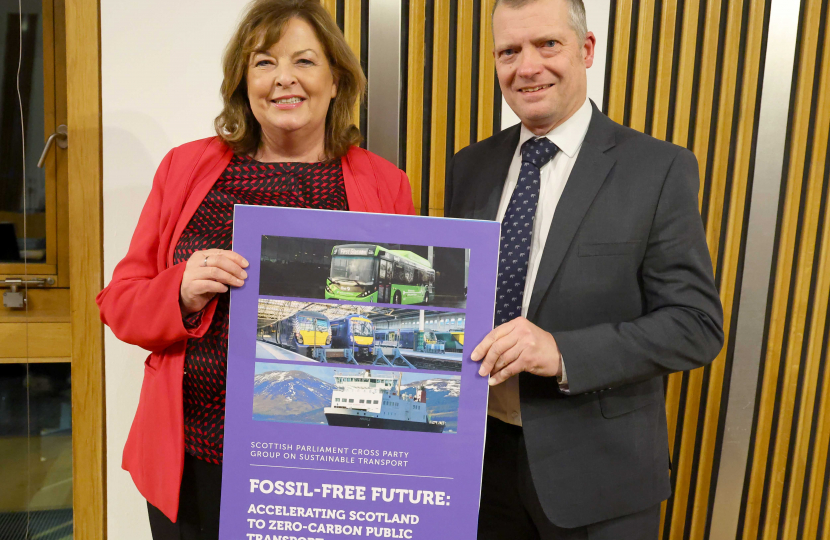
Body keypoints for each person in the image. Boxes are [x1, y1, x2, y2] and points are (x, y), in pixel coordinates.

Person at [96, 1, 414, 538]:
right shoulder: (185, 168)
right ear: (244, 83)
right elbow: (120, 304)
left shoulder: (385, 184)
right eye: (264, 62)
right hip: (197, 460)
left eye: (304, 62)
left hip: (326, 468)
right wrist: (179, 292)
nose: (283, 78)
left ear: (336, 80)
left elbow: (400, 320)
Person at [445, 0, 724, 538]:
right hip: (480, 467)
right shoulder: (471, 164)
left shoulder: (658, 168)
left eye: (547, 44)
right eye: (509, 51)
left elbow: (695, 325)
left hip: (598, 478)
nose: (527, 67)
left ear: (587, 49)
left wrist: (561, 352)